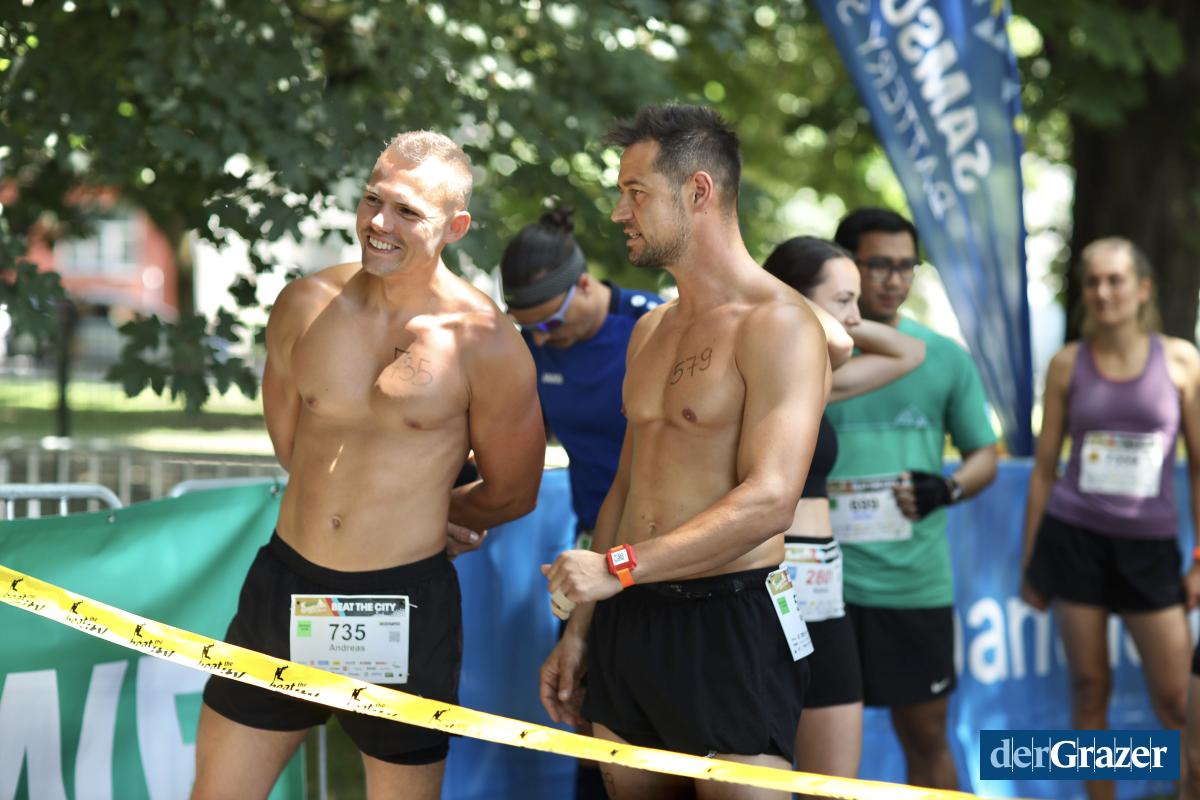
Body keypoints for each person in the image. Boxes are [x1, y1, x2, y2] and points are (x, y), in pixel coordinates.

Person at [191, 131, 546, 800]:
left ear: (455, 226)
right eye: (372, 200)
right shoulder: (304, 305)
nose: (379, 223)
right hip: (287, 583)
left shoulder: (487, 341)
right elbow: (293, 446)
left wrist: (431, 515)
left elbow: (514, 490)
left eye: (408, 211)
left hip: (403, 602)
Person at [538, 104, 828, 800]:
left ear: (698, 191)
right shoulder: (651, 330)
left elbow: (770, 500)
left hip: (728, 619)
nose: (619, 212)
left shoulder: (780, 323)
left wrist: (616, 568)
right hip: (631, 616)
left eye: (635, 192)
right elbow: (626, 487)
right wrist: (581, 630)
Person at [1021, 238, 1200, 800]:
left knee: (1178, 701)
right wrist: (1032, 562)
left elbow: (1199, 469)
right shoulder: (1067, 363)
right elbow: (1043, 471)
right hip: (1075, 539)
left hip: (1149, 549)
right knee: (1089, 689)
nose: (1102, 291)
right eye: (1093, 281)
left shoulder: (1181, 361)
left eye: (1115, 279)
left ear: (1143, 288)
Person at [826, 207, 999, 790]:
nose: (894, 279)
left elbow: (984, 456)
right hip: (818, 581)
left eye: (907, 266)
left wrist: (946, 488)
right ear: (845, 263)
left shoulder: (943, 356)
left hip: (911, 581)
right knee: (817, 750)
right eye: (878, 264)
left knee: (926, 736)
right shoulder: (801, 349)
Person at [763, 235, 926, 780]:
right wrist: (789, 306)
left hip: (823, 588)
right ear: (794, 297)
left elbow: (909, 352)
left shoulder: (816, 380)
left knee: (834, 783)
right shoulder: (752, 373)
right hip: (762, 585)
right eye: (844, 300)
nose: (857, 316)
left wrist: (835, 316)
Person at [500, 206, 663, 551]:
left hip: (661, 535)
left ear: (585, 285)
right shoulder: (534, 345)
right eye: (527, 327)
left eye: (550, 323)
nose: (540, 338)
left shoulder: (650, 322)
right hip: (593, 529)